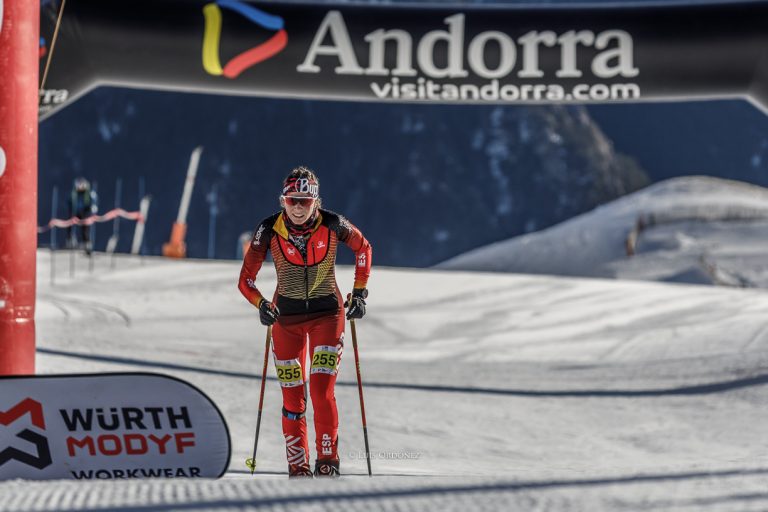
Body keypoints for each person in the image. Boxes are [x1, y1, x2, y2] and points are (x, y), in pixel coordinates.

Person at [238, 166, 372, 478]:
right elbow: (246, 279)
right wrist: (261, 304)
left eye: (305, 201)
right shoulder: (268, 230)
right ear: (282, 201)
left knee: (321, 391)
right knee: (292, 398)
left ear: (316, 201)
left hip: (328, 315)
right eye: (292, 200)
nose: (298, 207)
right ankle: (297, 465)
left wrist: (360, 293)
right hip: (286, 320)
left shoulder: (333, 223)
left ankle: (327, 460)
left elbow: (363, 248)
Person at [68, 177, 98, 254]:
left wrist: (93, 207)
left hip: (85, 212)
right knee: (70, 225)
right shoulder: (74, 192)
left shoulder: (89, 192)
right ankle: (70, 240)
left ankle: (87, 244)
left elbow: (94, 201)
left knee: (85, 229)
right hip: (75, 212)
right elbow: (70, 200)